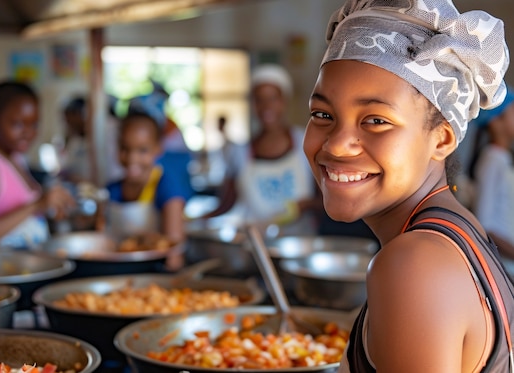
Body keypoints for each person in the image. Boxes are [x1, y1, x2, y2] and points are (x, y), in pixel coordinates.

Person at [304, 0, 514, 371]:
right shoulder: (454, 234)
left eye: (375, 120)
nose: (336, 144)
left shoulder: (413, 264)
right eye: (323, 115)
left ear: (442, 139)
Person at [204, 64, 320, 232]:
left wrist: (305, 205)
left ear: (284, 101)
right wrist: (197, 220)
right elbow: (226, 204)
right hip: (256, 246)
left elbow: (326, 201)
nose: (266, 106)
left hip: (300, 245)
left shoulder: (306, 142)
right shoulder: (239, 153)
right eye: (259, 99)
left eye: (273, 98)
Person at [0, 81, 74, 251]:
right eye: (17, 124)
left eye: (34, 124)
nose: (28, 133)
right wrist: (37, 205)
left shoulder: (16, 158)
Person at [100, 113, 189, 269]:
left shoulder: (166, 188)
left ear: (158, 149)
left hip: (153, 275)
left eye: (142, 150)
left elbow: (174, 255)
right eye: (125, 149)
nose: (132, 158)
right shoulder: (112, 190)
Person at [470, 89, 514, 259]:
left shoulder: (502, 159)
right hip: (503, 265)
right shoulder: (491, 160)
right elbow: (484, 224)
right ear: (496, 121)